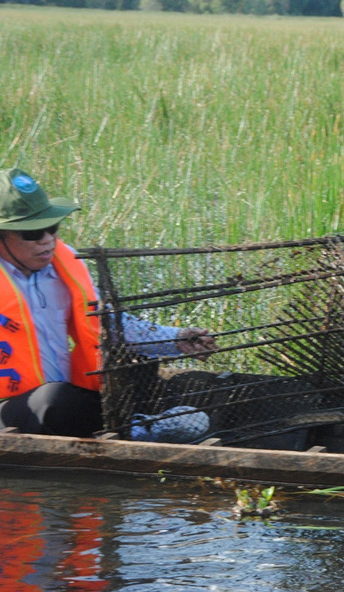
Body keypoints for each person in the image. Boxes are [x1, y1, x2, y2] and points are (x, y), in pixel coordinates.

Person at [0, 167, 218, 437]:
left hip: (68, 396)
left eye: (52, 228)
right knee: (53, 401)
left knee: (134, 363)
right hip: (10, 409)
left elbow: (108, 324)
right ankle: (140, 429)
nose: (47, 240)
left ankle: (131, 425)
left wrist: (177, 339)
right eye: (32, 233)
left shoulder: (64, 264)